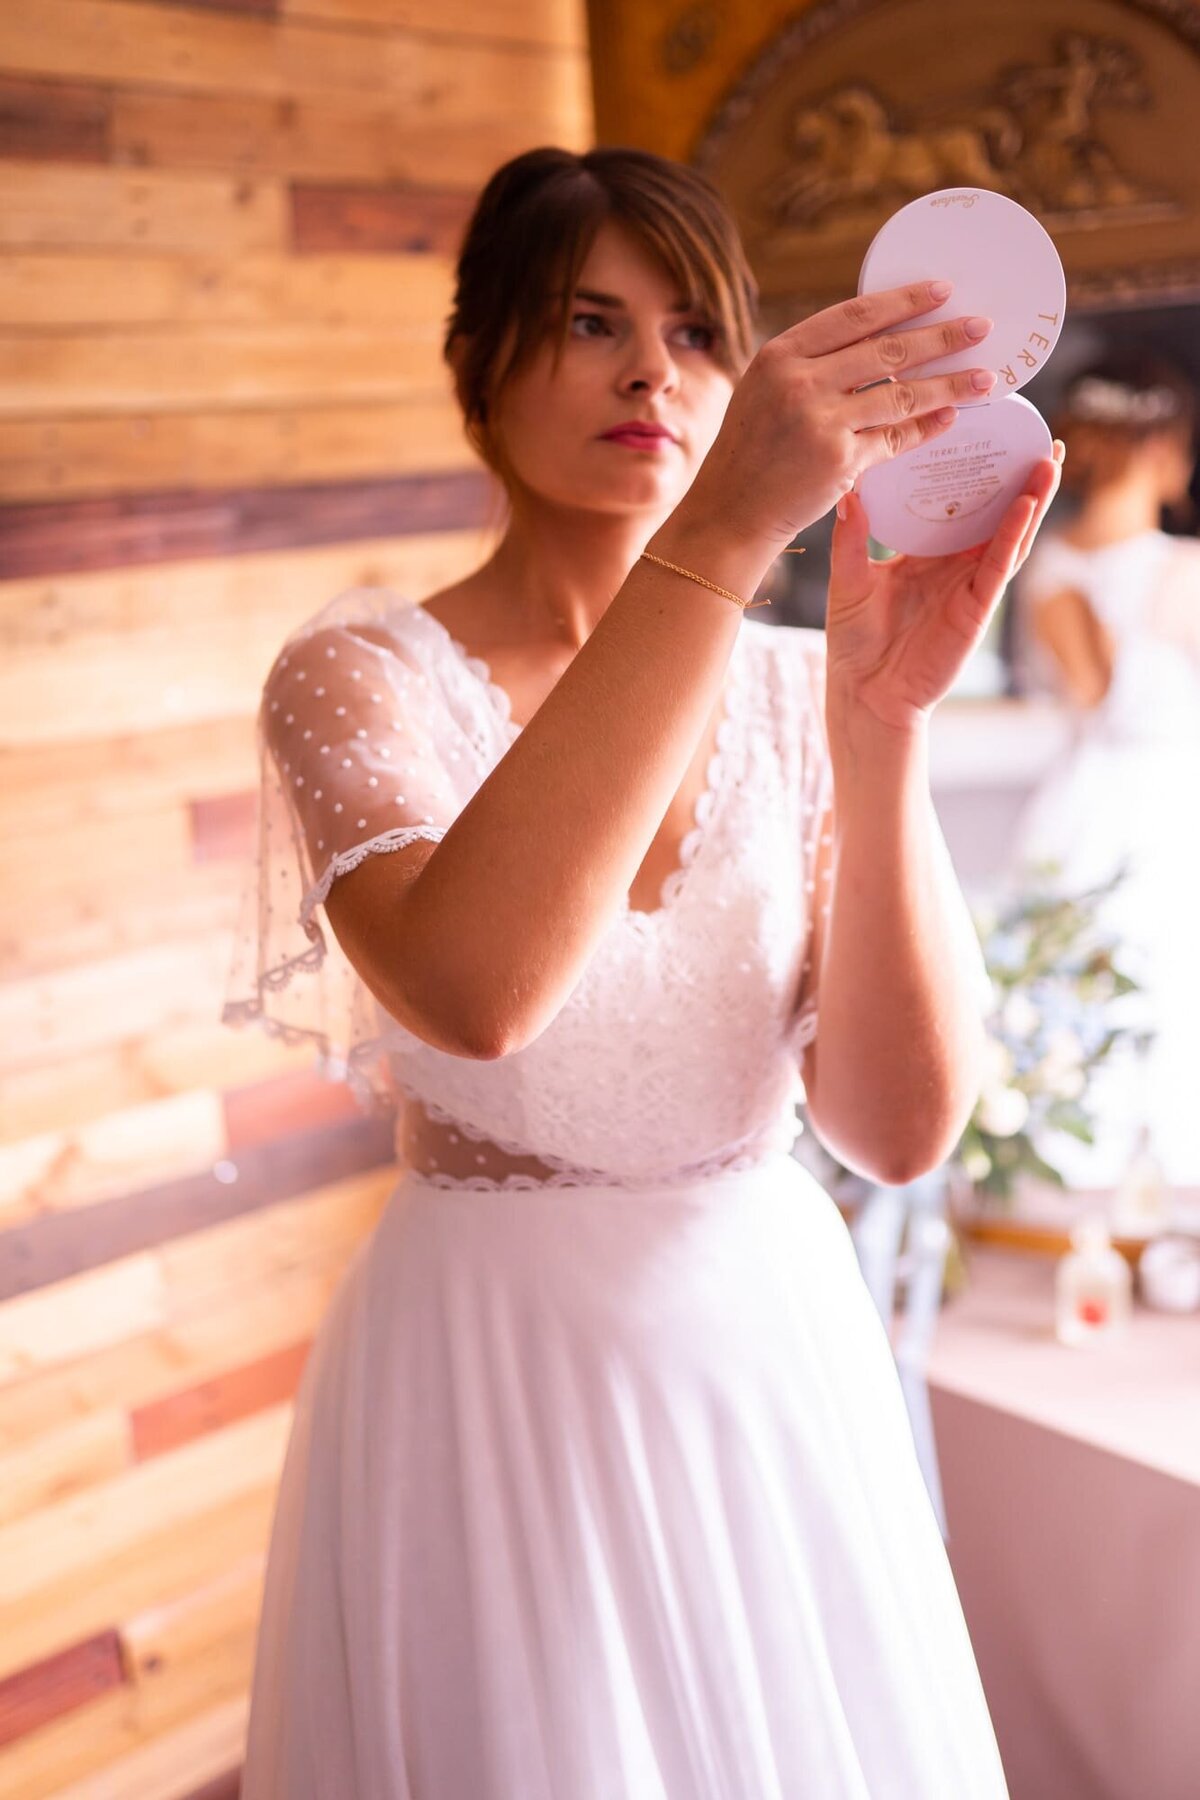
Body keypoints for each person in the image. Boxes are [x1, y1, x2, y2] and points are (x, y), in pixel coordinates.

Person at [223, 145, 1060, 1797]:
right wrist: (733, 532)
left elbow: (896, 1133)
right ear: (480, 366)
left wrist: (879, 732)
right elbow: (477, 991)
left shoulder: (807, 683)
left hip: (768, 1356)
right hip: (489, 1385)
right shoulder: (354, 681)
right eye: (591, 321)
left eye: (695, 335)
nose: (651, 375)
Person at [1010, 351, 1200, 1189]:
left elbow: (1086, 691)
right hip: (1166, 801)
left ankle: (1099, 1190)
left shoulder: (1048, 565)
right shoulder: (1181, 571)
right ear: (1165, 451)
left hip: (1088, 796)